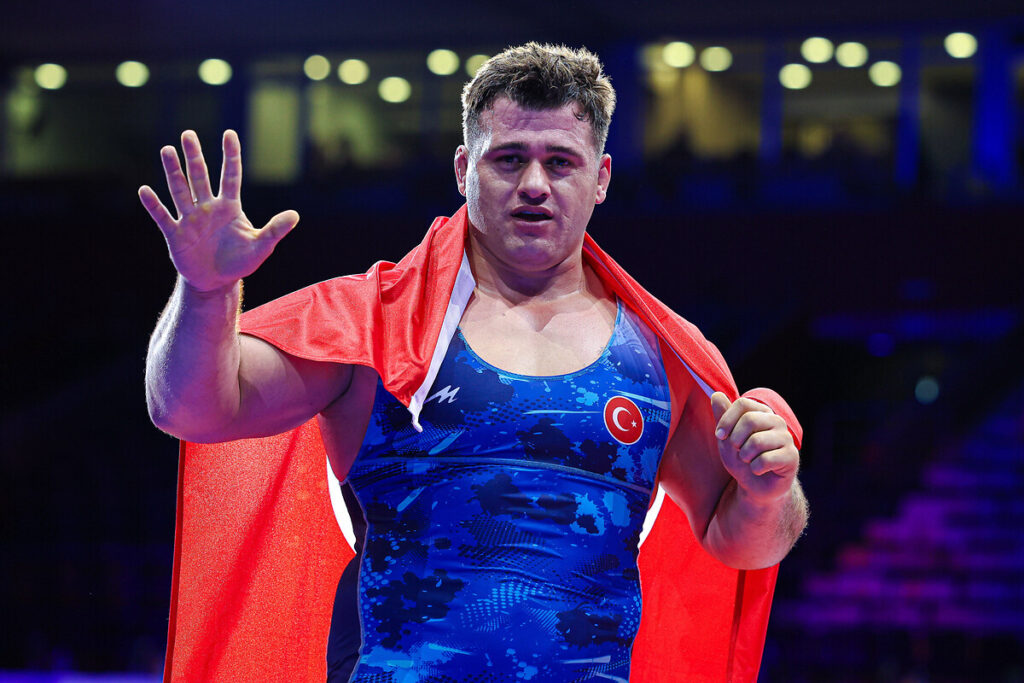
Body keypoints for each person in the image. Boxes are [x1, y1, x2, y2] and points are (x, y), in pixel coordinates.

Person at [141, 43, 807, 682]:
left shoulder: (665, 355)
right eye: (509, 159)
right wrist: (205, 290)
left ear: (601, 178)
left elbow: (741, 542)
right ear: (464, 169)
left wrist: (767, 491)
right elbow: (189, 409)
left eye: (562, 162)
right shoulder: (371, 323)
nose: (535, 185)